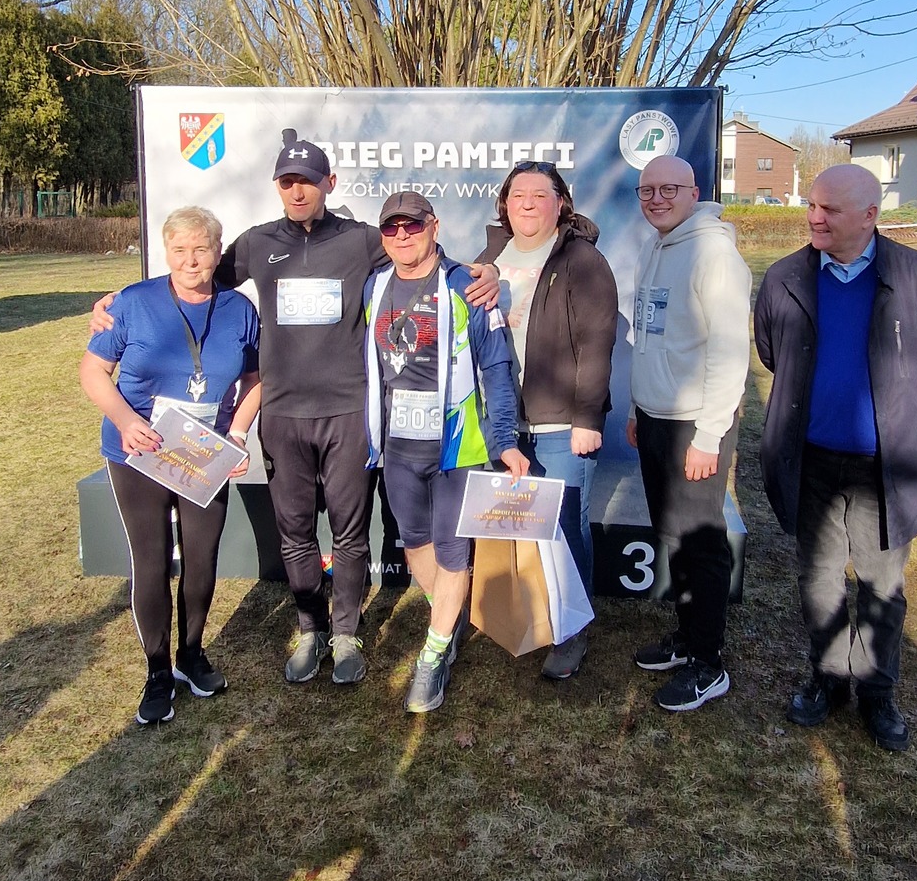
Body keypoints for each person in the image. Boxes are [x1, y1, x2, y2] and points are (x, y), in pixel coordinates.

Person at [89, 131, 498, 689]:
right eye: (288, 182)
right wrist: (117, 302)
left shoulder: (361, 240)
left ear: (329, 184)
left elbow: (422, 254)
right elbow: (193, 277)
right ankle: (309, 630)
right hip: (281, 414)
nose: (298, 191)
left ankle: (347, 633)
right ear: (277, 187)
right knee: (296, 530)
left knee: (351, 533)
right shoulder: (257, 243)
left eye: (308, 181)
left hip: (348, 412)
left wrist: (482, 272)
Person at [754, 163, 917, 752]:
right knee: (819, 578)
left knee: (881, 582)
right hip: (813, 459)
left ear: (871, 216)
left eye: (830, 209)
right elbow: (773, 351)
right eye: (813, 206)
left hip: (886, 467)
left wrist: (898, 401)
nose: (814, 217)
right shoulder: (784, 278)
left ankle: (878, 691)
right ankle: (828, 680)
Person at [79, 206, 259, 726]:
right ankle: (157, 670)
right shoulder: (131, 304)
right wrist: (124, 418)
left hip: (204, 454)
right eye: (179, 250)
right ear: (166, 253)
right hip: (139, 450)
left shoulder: (238, 310)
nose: (190, 260)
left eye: (201, 249)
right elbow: (93, 371)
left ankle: (191, 654)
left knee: (201, 558)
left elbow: (257, 378)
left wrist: (239, 434)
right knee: (152, 560)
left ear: (217, 252)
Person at [365, 191, 528, 715]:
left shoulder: (467, 285)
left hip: (459, 445)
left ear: (433, 226)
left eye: (412, 226)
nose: (402, 237)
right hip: (399, 447)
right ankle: (449, 620)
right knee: (416, 548)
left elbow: (497, 368)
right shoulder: (375, 284)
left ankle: (433, 655)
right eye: (392, 229)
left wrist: (505, 440)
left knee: (454, 553)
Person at [477, 161, 618, 679]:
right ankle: (529, 611)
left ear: (562, 202)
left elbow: (597, 345)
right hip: (505, 421)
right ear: (505, 204)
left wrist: (586, 418)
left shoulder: (582, 261)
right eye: (519, 195)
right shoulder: (490, 257)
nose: (529, 203)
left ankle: (571, 631)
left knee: (565, 526)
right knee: (520, 525)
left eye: (542, 193)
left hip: (562, 424)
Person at [629, 155, 752, 713]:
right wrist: (639, 408)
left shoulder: (715, 255)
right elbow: (656, 337)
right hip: (655, 419)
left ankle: (709, 663)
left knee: (700, 543)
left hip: (695, 427)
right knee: (672, 535)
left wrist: (708, 435)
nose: (656, 198)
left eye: (668, 189)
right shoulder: (657, 246)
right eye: (646, 190)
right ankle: (687, 638)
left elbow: (729, 354)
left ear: (694, 191)